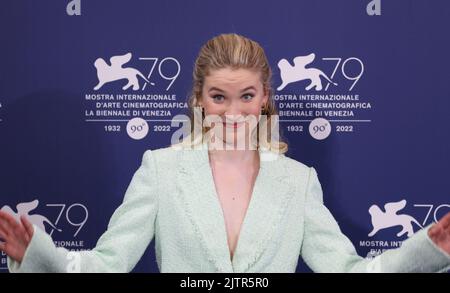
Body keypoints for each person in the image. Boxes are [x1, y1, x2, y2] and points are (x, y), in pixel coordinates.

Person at [1, 33, 449, 273]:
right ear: (198, 98)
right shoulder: (161, 170)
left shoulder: (298, 180)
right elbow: (106, 265)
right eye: (219, 97)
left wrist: (426, 251)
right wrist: (40, 254)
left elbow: (348, 272)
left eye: (247, 96)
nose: (234, 113)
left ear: (265, 97)